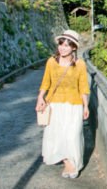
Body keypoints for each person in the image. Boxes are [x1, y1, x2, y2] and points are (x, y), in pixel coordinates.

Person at [35, 29, 90, 178]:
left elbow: (83, 87)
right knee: (58, 135)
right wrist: (40, 97)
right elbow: (46, 82)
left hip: (74, 105)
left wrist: (86, 106)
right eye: (61, 43)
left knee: (73, 135)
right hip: (54, 105)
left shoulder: (80, 64)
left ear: (74, 48)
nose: (63, 47)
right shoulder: (51, 62)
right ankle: (67, 163)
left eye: (67, 45)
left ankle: (75, 162)